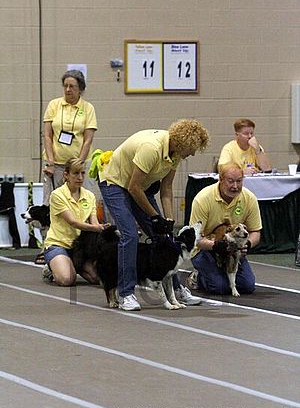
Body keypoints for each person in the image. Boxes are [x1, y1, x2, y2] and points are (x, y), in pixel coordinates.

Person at [98, 119, 210, 311]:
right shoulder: (152, 149)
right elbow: (133, 188)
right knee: (130, 235)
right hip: (115, 184)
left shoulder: (175, 155)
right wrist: (154, 217)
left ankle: (176, 290)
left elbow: (166, 189)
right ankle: (126, 294)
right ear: (183, 143)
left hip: (140, 188)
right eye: (192, 149)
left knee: (164, 238)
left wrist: (168, 221)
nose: (192, 153)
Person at [36, 70, 98, 265]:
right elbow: (47, 135)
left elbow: (88, 139)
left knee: (83, 203)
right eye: (66, 86)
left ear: (81, 89)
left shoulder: (87, 108)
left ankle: (85, 247)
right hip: (55, 164)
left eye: (72, 86)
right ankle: (46, 246)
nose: (68, 90)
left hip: (76, 163)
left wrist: (78, 165)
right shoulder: (54, 105)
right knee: (48, 206)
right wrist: (51, 163)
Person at [189, 162, 262, 295]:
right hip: (204, 249)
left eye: (239, 181)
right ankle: (198, 276)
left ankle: (215, 273)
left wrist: (248, 244)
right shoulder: (203, 199)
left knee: (247, 286)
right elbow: (195, 239)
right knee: (220, 287)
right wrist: (216, 245)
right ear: (220, 180)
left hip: (233, 250)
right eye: (230, 181)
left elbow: (255, 231)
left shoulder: (249, 198)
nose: (235, 186)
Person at [43, 158, 105, 286]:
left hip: (80, 248)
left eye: (82, 173)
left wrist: (102, 227)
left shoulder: (90, 196)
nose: (80, 177)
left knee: (97, 279)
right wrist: (97, 228)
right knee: (66, 280)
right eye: (76, 173)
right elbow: (73, 222)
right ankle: (52, 268)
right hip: (59, 244)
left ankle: (71, 264)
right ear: (66, 175)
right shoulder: (57, 195)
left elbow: (94, 222)